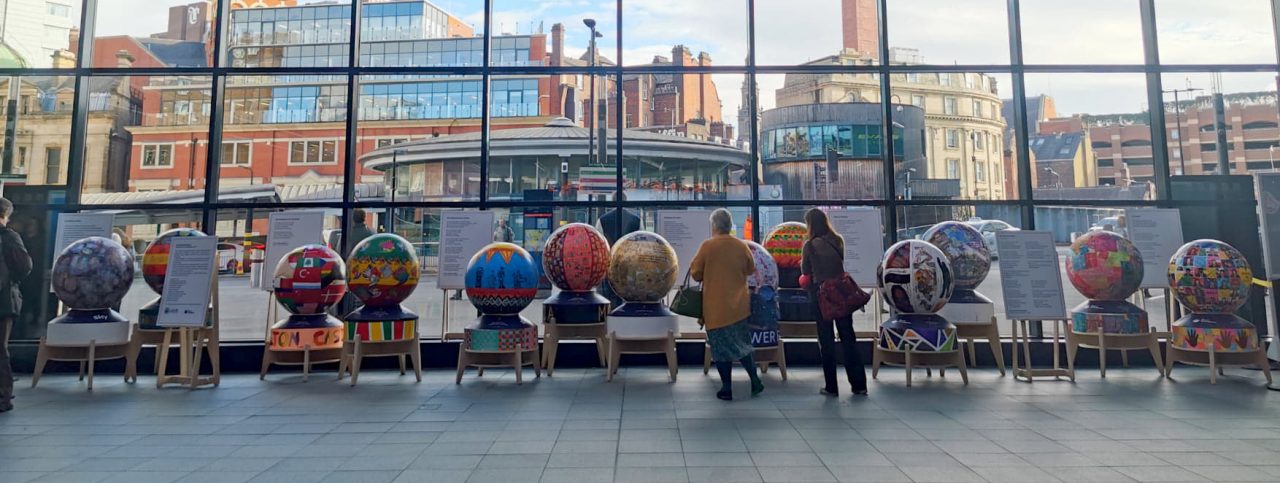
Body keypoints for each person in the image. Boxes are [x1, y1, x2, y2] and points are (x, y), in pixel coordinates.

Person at [689, 209, 761, 401]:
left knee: (721, 349)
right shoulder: (741, 245)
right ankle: (755, 380)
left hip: (716, 307)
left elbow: (696, 274)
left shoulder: (708, 246)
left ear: (714, 225)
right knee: (742, 344)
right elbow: (750, 268)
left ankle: (727, 388)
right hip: (739, 306)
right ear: (729, 225)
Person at [801, 208, 867, 397]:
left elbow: (806, 271)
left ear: (810, 224)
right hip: (842, 293)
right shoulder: (838, 240)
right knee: (848, 338)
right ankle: (859, 385)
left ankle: (831, 387)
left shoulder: (809, 245)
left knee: (826, 340)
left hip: (821, 295)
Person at [0, 198, 32, 412]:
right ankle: (3, 396)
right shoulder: (9, 237)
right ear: (6, 215)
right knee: (0, 349)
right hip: (3, 300)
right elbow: (24, 266)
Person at [597, 192, 642, 307]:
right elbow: (641, 245)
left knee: (609, 294)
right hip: (630, 265)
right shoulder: (637, 220)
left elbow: (599, 246)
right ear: (626, 201)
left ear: (612, 202)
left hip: (610, 264)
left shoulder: (602, 220)